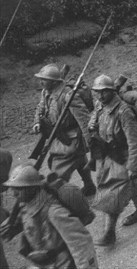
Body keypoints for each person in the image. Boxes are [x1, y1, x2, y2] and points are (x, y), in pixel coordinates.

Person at [0, 165, 98, 268]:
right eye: (13, 188)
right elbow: (27, 221)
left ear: (32, 189)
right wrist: (11, 227)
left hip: (63, 264)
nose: (14, 193)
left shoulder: (54, 212)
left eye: (18, 189)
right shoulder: (25, 204)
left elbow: (80, 242)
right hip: (43, 262)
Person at [88, 74, 137, 246]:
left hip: (124, 154)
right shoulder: (100, 106)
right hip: (108, 153)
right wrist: (92, 125)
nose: (100, 96)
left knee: (113, 194)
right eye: (97, 92)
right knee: (130, 184)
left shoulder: (124, 112)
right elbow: (94, 123)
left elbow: (135, 141)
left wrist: (133, 166)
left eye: (104, 92)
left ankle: (109, 233)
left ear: (112, 91)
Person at [32, 64, 96, 195]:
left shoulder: (68, 96)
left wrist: (91, 141)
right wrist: (37, 122)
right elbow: (41, 107)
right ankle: (89, 185)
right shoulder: (46, 92)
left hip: (70, 138)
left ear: (54, 81)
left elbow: (84, 119)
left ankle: (58, 200)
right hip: (56, 134)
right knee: (79, 160)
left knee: (58, 169)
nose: (40, 82)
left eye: (44, 79)